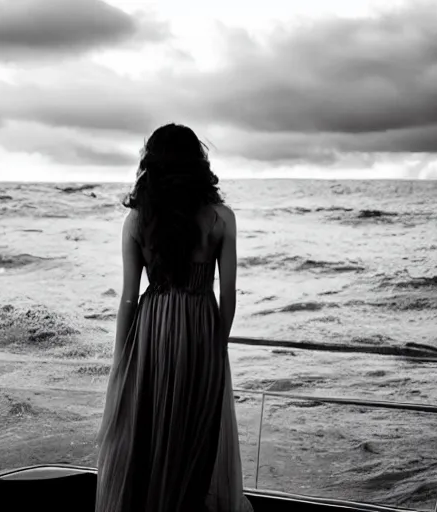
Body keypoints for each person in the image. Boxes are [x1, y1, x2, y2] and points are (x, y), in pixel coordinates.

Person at [95, 123, 254, 512]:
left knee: (148, 436)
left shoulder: (137, 220)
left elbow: (129, 300)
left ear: (152, 163)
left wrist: (121, 359)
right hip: (201, 328)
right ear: (197, 163)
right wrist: (218, 348)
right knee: (193, 434)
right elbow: (228, 294)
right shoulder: (221, 218)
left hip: (152, 330)